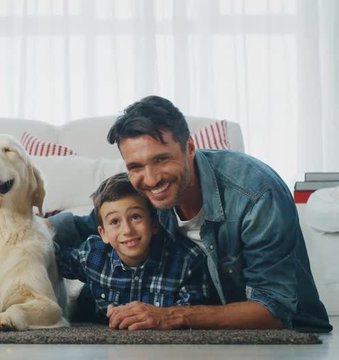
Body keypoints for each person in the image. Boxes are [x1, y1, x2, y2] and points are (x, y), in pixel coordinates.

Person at [50, 96, 332, 332]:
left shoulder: (256, 194)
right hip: (195, 338)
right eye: (135, 166)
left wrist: (171, 315)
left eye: (161, 159)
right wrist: (27, 227)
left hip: (286, 337)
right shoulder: (145, 196)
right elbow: (79, 226)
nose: (150, 179)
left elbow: (275, 310)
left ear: (190, 148)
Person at [55, 173, 214, 325]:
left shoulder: (186, 262)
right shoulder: (93, 253)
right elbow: (53, 259)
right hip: (94, 319)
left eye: (135, 217)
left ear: (154, 224)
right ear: (103, 234)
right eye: (115, 221)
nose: (127, 230)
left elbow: (194, 314)